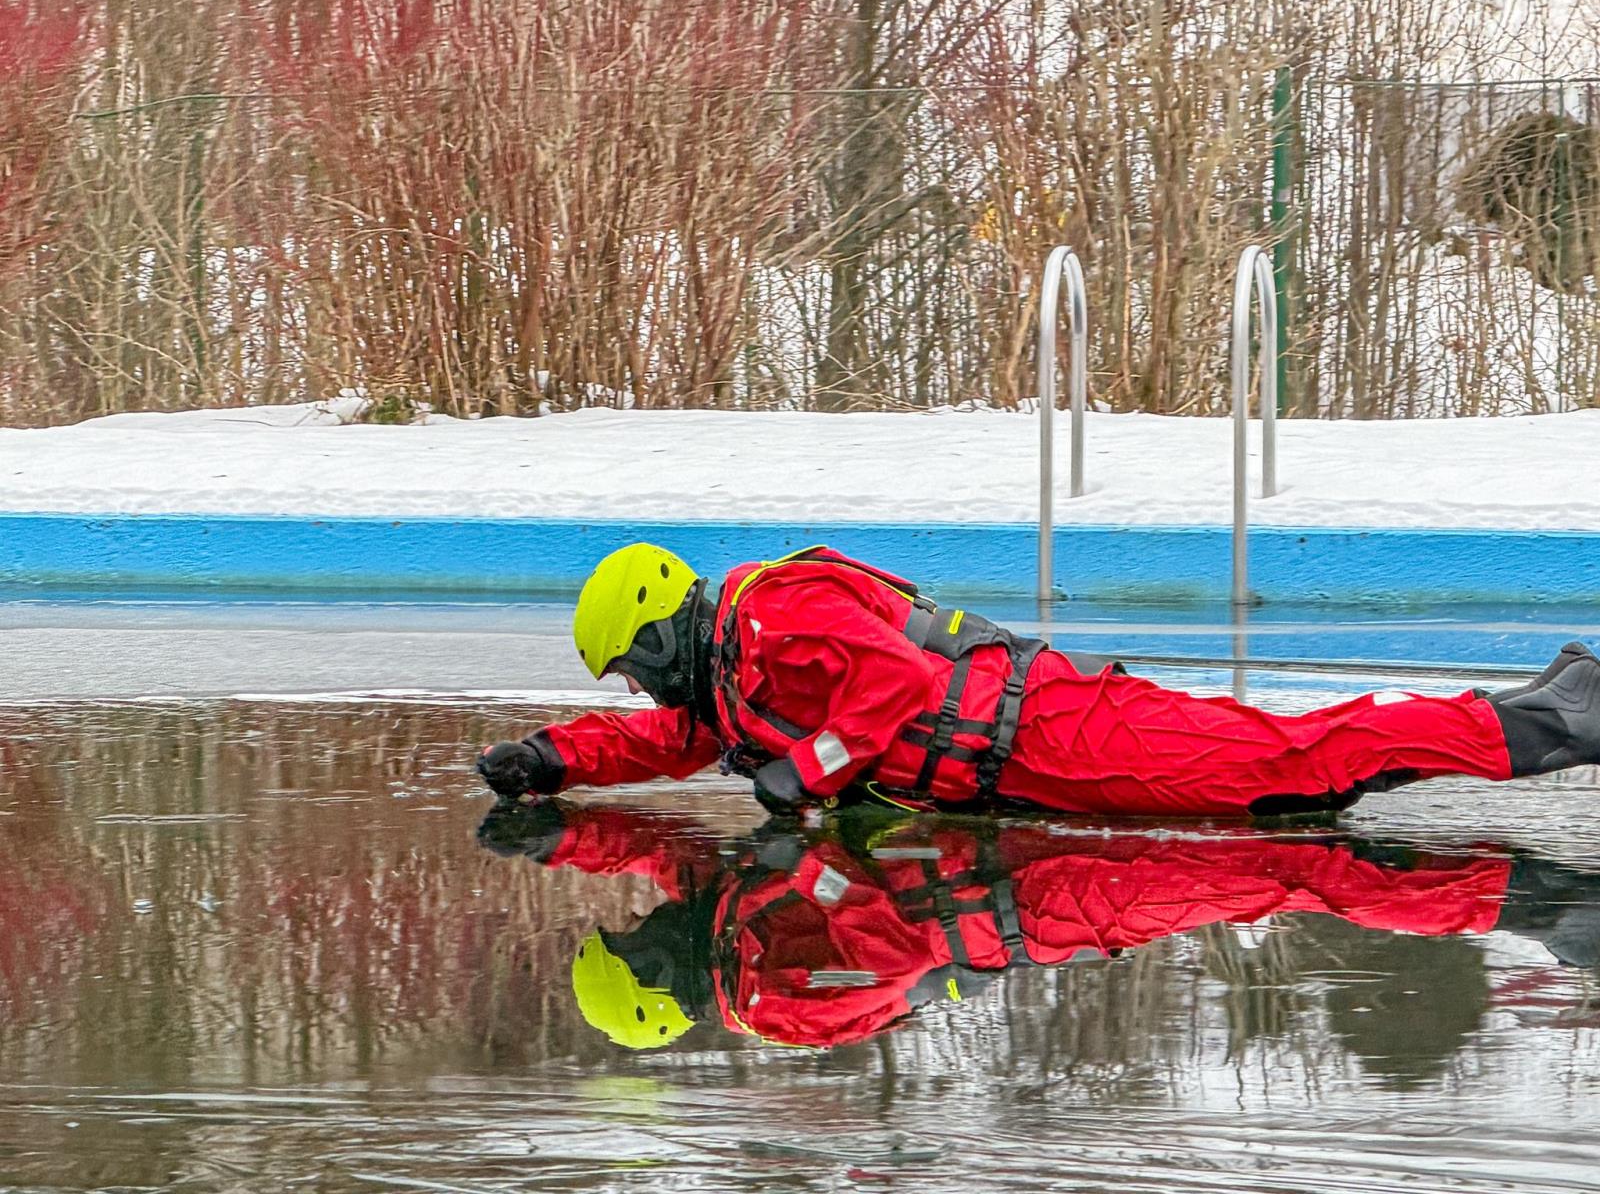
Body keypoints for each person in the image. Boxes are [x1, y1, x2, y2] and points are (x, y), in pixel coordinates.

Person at [476, 542, 1600, 817]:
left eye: (632, 668)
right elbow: (662, 743)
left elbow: (893, 688)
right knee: (1292, 783)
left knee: (1292, 760)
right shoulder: (726, 682)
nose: (640, 693)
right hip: (1027, 769)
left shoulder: (782, 612)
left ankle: (1554, 718)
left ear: (658, 629)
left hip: (1062, 727)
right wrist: (549, 759)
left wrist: (808, 771)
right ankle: (1541, 702)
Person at [477, 798, 1600, 1050]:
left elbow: (661, 850)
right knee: (1281, 879)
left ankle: (1518, 890)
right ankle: (1528, 903)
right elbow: (895, 951)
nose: (645, 922)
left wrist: (560, 829)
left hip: (1001, 869)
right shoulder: (771, 999)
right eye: (634, 944)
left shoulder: (719, 933)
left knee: (1279, 856)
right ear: (659, 985)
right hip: (1034, 912)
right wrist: (809, 875)